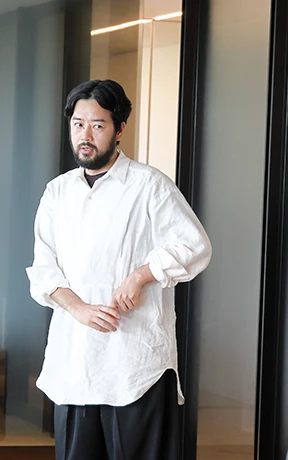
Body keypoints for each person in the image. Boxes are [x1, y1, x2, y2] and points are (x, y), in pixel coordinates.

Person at [26, 79, 212, 460]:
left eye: (98, 125)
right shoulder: (57, 193)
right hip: (76, 364)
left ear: (120, 129)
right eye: (78, 124)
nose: (85, 136)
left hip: (135, 366)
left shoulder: (149, 185)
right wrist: (78, 308)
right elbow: (44, 270)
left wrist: (141, 274)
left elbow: (195, 245)